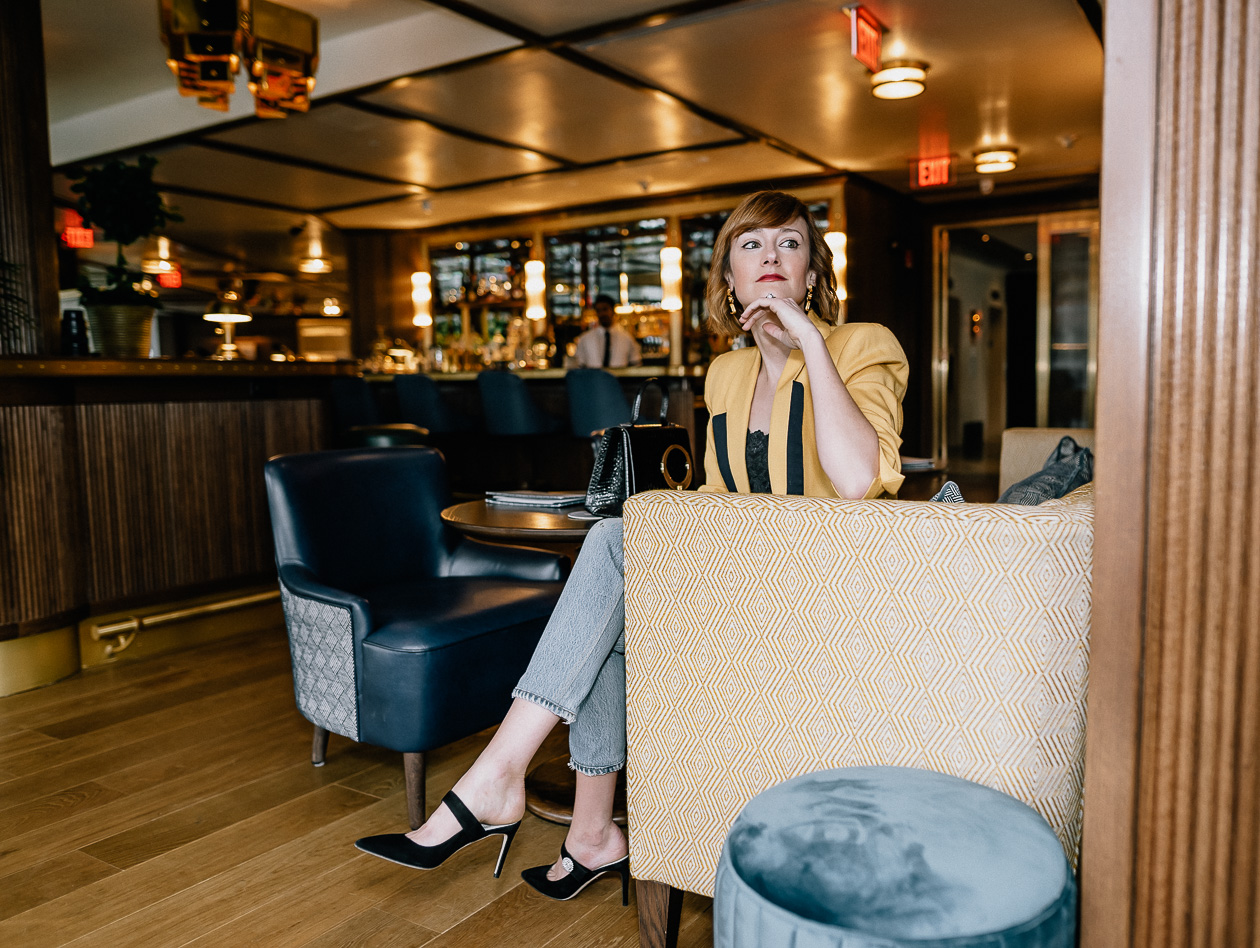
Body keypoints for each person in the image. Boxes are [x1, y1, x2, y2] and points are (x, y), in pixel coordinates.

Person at [354, 190, 909, 901]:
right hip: (747, 581)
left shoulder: (864, 344)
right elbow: (720, 496)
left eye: (789, 244)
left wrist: (807, 342)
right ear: (730, 280)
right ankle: (593, 836)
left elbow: (861, 480)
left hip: (830, 592)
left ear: (811, 273)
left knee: (618, 547)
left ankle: (498, 780)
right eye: (750, 245)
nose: (770, 256)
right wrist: (657, 519)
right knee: (617, 581)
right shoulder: (727, 373)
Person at [572, 295, 642, 368]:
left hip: (619, 378)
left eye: (605, 309)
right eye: (598, 311)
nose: (602, 314)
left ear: (613, 310)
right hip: (592, 378)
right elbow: (579, 365)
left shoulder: (627, 338)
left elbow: (635, 364)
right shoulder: (585, 339)